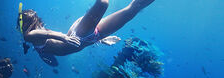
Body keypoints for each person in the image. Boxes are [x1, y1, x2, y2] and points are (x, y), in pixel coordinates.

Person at [18, 0, 155, 66]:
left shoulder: (29, 36)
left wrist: (64, 38)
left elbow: (48, 35)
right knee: (132, 9)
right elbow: (54, 63)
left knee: (103, 3)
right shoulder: (35, 41)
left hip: (80, 35)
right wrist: (100, 40)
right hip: (91, 37)